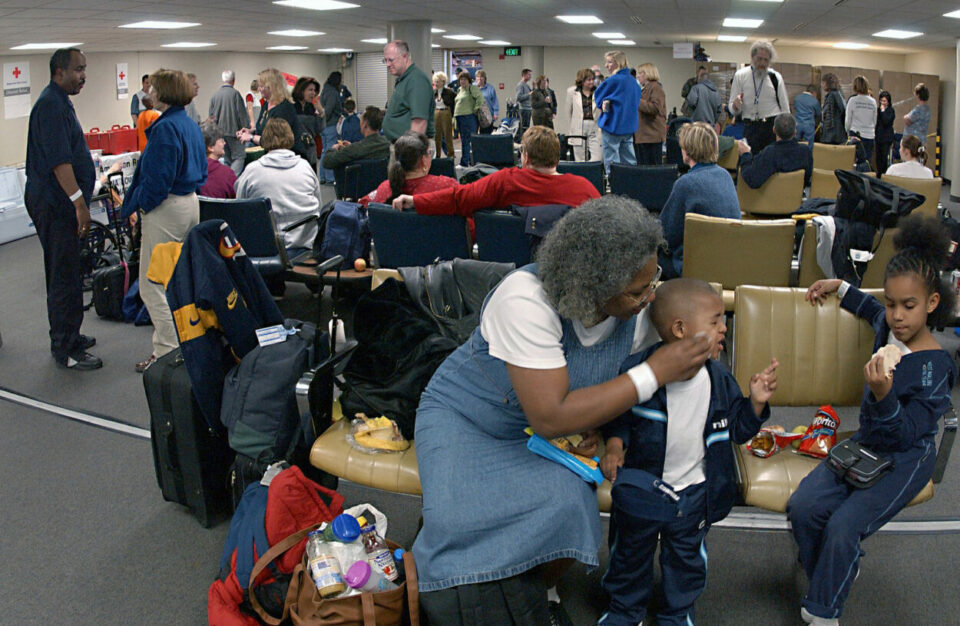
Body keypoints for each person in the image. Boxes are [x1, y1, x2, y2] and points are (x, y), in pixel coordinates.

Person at [412, 194, 714, 625]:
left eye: (654, 281)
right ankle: (477, 581)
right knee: (456, 530)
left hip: (542, 436)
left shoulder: (637, 308)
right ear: (593, 286)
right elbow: (551, 414)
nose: (649, 297)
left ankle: (536, 590)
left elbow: (686, 334)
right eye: (637, 291)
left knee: (571, 505)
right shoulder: (525, 299)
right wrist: (654, 372)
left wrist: (597, 423)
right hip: (469, 418)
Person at [790, 216, 956, 626]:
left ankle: (824, 611)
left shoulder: (934, 368)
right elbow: (871, 309)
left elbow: (905, 434)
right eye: (892, 303)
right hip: (867, 441)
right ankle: (834, 567)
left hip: (906, 457)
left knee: (843, 527)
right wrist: (840, 287)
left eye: (909, 306)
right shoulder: (890, 326)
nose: (897, 316)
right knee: (804, 506)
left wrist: (884, 396)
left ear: (932, 303)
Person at [599, 279, 778, 626]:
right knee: (630, 552)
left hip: (694, 491)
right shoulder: (638, 372)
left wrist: (755, 403)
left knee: (686, 559)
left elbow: (737, 430)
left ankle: (677, 612)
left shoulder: (719, 379)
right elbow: (618, 416)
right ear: (680, 329)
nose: (724, 327)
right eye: (714, 321)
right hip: (643, 489)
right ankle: (625, 609)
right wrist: (615, 446)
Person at [121, 69, 207, 373]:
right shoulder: (189, 124)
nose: (149, 93)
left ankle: (168, 352)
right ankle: (183, 346)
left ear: (165, 92)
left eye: (153, 88)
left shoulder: (166, 128)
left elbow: (157, 181)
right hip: (188, 203)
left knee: (152, 285)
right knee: (177, 281)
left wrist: (142, 207)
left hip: (167, 209)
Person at [24, 47, 101, 370]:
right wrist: (79, 204)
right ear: (59, 72)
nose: (84, 76)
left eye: (84, 69)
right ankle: (64, 347)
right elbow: (59, 162)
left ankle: (72, 334)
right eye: (78, 69)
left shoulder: (61, 102)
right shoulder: (50, 106)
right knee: (63, 275)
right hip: (55, 203)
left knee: (71, 270)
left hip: (61, 202)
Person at [392, 125, 599, 217]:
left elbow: (458, 198)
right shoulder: (584, 189)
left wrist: (416, 200)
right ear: (557, 158)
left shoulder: (506, 181)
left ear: (525, 157)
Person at [658, 122, 740, 279]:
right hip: (726, 261)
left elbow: (666, 234)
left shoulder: (685, 184)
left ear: (688, 150)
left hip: (692, 266)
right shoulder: (725, 176)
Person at [236, 118, 321, 256]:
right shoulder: (305, 167)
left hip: (266, 246)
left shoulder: (252, 171)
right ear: (290, 137)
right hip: (305, 244)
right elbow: (318, 206)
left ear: (265, 139)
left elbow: (240, 209)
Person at [237, 68, 313, 164]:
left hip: (287, 160)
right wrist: (251, 131)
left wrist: (251, 137)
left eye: (261, 86)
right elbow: (263, 129)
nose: (259, 89)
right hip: (271, 156)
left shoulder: (284, 108)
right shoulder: (266, 104)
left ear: (271, 86)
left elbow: (275, 141)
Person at [364, 130, 458, 207]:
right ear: (423, 160)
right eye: (429, 153)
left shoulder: (384, 189)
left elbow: (363, 204)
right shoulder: (448, 187)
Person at [729, 40, 790, 154]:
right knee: (748, 159)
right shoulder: (740, 76)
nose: (762, 63)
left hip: (771, 127)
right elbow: (732, 107)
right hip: (750, 126)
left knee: (770, 161)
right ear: (752, 57)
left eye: (766, 60)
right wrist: (735, 106)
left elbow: (785, 109)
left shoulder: (775, 78)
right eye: (759, 59)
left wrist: (786, 133)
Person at [593, 50, 642, 174]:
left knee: (611, 162)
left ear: (618, 63)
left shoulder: (612, 81)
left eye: (609, 62)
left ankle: (614, 183)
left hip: (612, 126)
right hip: (628, 128)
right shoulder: (634, 82)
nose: (606, 65)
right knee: (629, 161)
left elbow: (598, 97)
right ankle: (630, 183)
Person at [737, 113, 813, 188]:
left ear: (774, 130)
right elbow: (807, 178)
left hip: (769, 195)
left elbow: (752, 180)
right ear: (795, 132)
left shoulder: (770, 153)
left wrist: (745, 154)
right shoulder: (805, 151)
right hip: (796, 194)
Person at [382, 40, 435, 144]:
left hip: (410, 147)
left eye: (391, 60)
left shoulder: (416, 80)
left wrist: (410, 151)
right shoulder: (404, 79)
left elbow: (419, 122)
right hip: (401, 144)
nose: (387, 64)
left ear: (405, 56)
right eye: (385, 60)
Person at [321, 106, 391, 171]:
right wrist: (351, 145)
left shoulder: (354, 149)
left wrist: (333, 149)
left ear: (365, 124)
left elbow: (327, 162)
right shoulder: (388, 144)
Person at [208, 69, 249, 176]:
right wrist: (246, 128)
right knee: (239, 156)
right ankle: (232, 179)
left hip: (220, 134)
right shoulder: (235, 94)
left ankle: (225, 178)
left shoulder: (215, 95)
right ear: (233, 80)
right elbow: (241, 114)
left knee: (227, 159)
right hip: (235, 133)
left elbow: (211, 117)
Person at [562, 68, 602, 162]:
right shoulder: (572, 92)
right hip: (579, 126)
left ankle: (592, 170)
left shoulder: (598, 92)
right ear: (582, 81)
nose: (591, 82)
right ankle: (582, 171)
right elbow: (568, 111)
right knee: (580, 158)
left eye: (593, 79)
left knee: (598, 157)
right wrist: (571, 128)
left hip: (594, 126)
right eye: (589, 80)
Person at [845, 75, 878, 165]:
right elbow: (874, 120)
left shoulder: (852, 100)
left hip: (856, 135)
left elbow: (848, 120)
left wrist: (847, 132)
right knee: (867, 162)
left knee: (854, 163)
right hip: (869, 136)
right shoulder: (873, 101)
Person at [318, 72, 343, 184]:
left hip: (323, 126)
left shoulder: (325, 90)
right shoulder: (332, 92)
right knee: (330, 151)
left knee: (324, 151)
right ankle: (330, 177)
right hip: (330, 125)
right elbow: (328, 110)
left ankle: (323, 177)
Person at [454, 71, 484, 166]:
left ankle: (465, 162)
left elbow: (480, 99)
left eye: (465, 79)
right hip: (460, 118)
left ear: (469, 80)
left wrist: (475, 109)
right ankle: (467, 161)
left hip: (468, 117)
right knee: (464, 140)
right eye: (461, 79)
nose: (462, 81)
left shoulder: (472, 88)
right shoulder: (459, 90)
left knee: (468, 140)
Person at [199, 123, 236, 199]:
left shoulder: (190, 171)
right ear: (210, 147)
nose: (224, 143)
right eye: (222, 141)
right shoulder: (227, 174)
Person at [432, 72, 456, 157]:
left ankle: (451, 154)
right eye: (435, 81)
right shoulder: (433, 92)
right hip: (436, 112)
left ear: (443, 82)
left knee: (447, 135)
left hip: (446, 112)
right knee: (437, 135)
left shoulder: (449, 92)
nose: (436, 83)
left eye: (438, 81)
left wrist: (453, 116)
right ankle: (437, 155)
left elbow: (453, 104)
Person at [820, 73, 847, 145]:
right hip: (832, 132)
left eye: (824, 83)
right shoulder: (834, 94)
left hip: (833, 133)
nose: (822, 85)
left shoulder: (834, 94)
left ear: (828, 83)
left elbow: (843, 110)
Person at [793, 84, 822, 149]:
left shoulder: (797, 98)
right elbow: (819, 114)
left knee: (795, 143)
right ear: (814, 93)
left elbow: (795, 108)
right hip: (809, 125)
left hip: (797, 124)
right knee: (809, 145)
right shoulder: (814, 101)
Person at [875, 90, 896, 175]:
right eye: (881, 101)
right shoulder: (878, 110)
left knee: (884, 157)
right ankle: (879, 173)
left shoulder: (891, 110)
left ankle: (883, 173)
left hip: (887, 138)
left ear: (888, 102)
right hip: (879, 136)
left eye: (885, 101)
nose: (883, 103)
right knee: (878, 157)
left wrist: (883, 111)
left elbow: (886, 121)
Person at [476, 70, 498, 134]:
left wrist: (495, 113)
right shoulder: (473, 88)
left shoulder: (490, 88)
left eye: (481, 77)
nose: (480, 79)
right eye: (478, 77)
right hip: (476, 115)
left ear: (485, 78)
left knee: (487, 134)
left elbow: (495, 101)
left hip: (487, 115)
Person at [516, 68, 533, 134]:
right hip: (524, 109)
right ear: (524, 75)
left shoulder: (526, 85)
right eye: (529, 75)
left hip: (528, 108)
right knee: (524, 128)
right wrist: (529, 94)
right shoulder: (520, 85)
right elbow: (519, 97)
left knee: (527, 127)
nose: (530, 76)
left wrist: (533, 88)